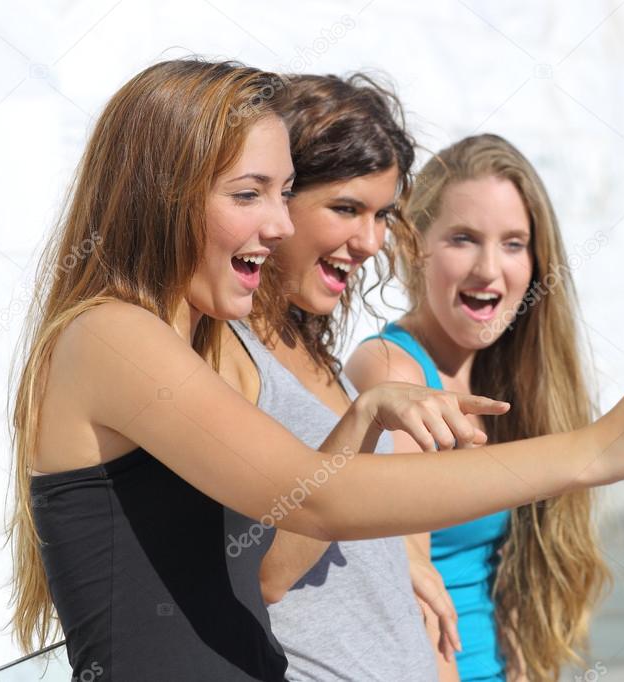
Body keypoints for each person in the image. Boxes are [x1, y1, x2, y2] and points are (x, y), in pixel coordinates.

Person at [10, 58, 624, 681]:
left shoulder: (189, 342)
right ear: (157, 195)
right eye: (248, 194)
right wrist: (597, 448)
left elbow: (282, 534)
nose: (278, 222)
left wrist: (361, 429)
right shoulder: (109, 337)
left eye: (282, 190)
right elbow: (316, 502)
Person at [214, 72, 461, 680]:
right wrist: (364, 419)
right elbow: (265, 571)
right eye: (347, 209)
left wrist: (394, 551)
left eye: (382, 216)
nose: (371, 240)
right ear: (279, 199)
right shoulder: (229, 352)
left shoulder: (318, 354)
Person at [347, 133, 609, 681]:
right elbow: (412, 591)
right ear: (414, 246)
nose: (490, 270)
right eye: (464, 239)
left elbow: (515, 582)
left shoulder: (512, 373)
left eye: (514, 244)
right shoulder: (396, 371)